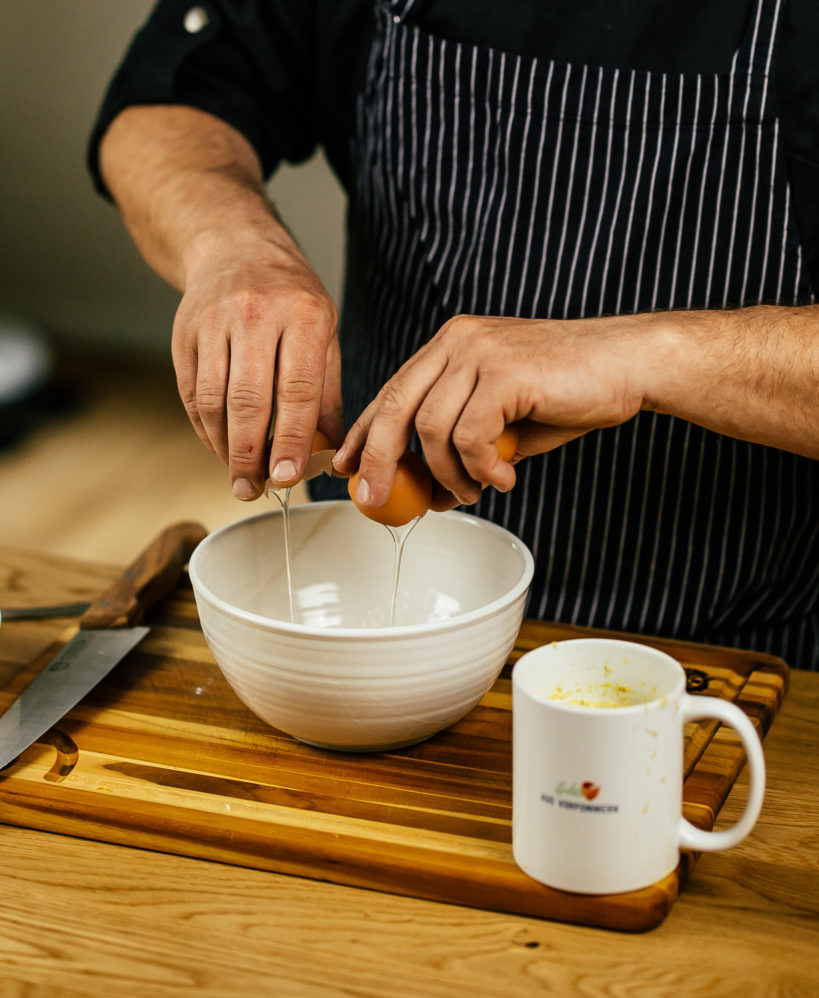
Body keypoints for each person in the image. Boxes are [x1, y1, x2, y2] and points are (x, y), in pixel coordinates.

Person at [89, 0, 819, 667]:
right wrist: (232, 245)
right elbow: (165, 102)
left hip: (744, 658)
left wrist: (650, 356)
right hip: (366, 626)